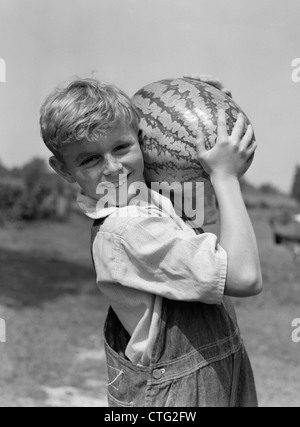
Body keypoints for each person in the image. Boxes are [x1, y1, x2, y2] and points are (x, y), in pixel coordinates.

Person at [39, 77, 262, 407]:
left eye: (122, 148)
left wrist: (201, 114)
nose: (114, 168)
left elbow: (207, 220)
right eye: (90, 159)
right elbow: (244, 276)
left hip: (217, 374)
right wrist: (225, 177)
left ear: (140, 139)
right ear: (63, 169)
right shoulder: (127, 231)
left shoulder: (145, 204)